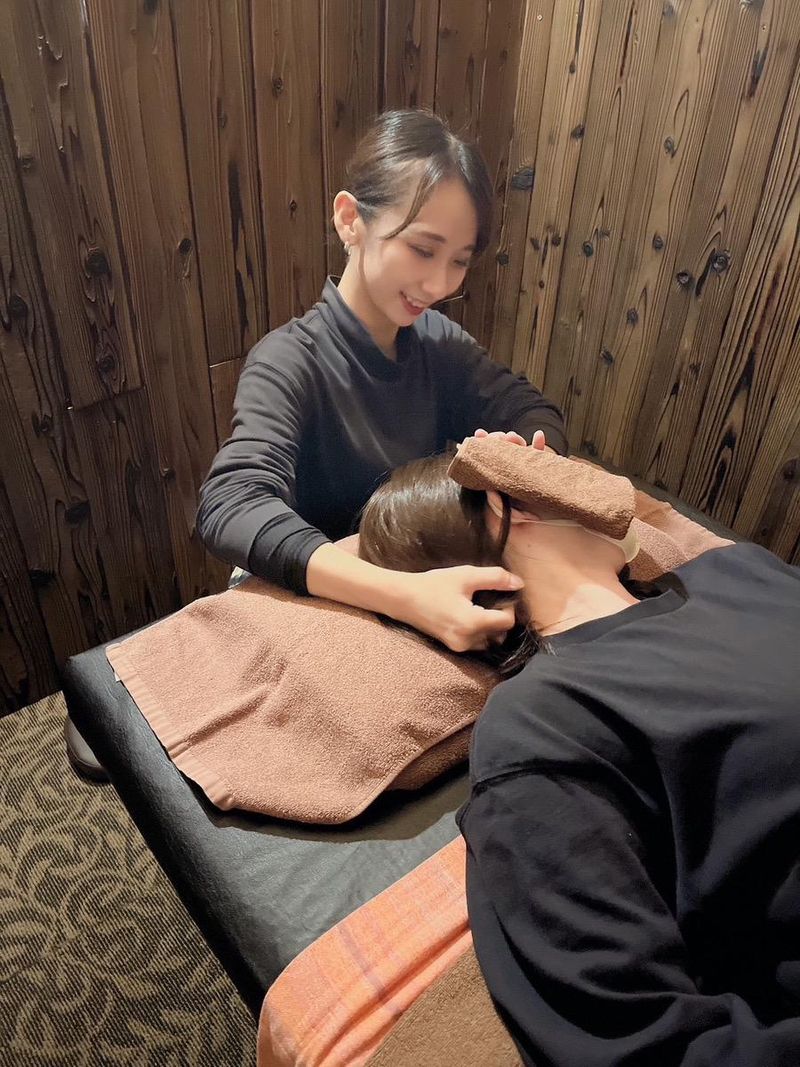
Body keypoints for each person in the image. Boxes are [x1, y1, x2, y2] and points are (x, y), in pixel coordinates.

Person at [357, 450, 800, 1066]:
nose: (554, 453)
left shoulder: (738, 570)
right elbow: (649, 1045)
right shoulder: (543, 723)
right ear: (503, 507)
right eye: (532, 458)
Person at [196, 108, 567, 653]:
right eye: (422, 249)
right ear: (350, 219)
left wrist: (527, 458)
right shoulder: (288, 360)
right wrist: (404, 596)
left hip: (416, 582)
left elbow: (531, 409)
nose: (439, 284)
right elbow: (230, 504)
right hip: (322, 599)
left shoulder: (438, 341)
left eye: (460, 260)